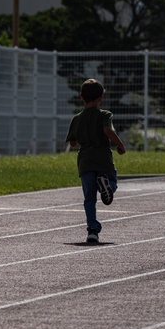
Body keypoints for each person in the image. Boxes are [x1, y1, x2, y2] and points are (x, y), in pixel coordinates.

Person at [66, 78, 126, 243]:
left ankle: (92, 230)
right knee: (112, 180)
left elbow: (72, 142)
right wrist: (120, 145)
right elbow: (107, 130)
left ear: (81, 97)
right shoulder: (105, 115)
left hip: (85, 161)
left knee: (89, 198)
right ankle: (107, 186)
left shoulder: (76, 119)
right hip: (102, 158)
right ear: (101, 98)